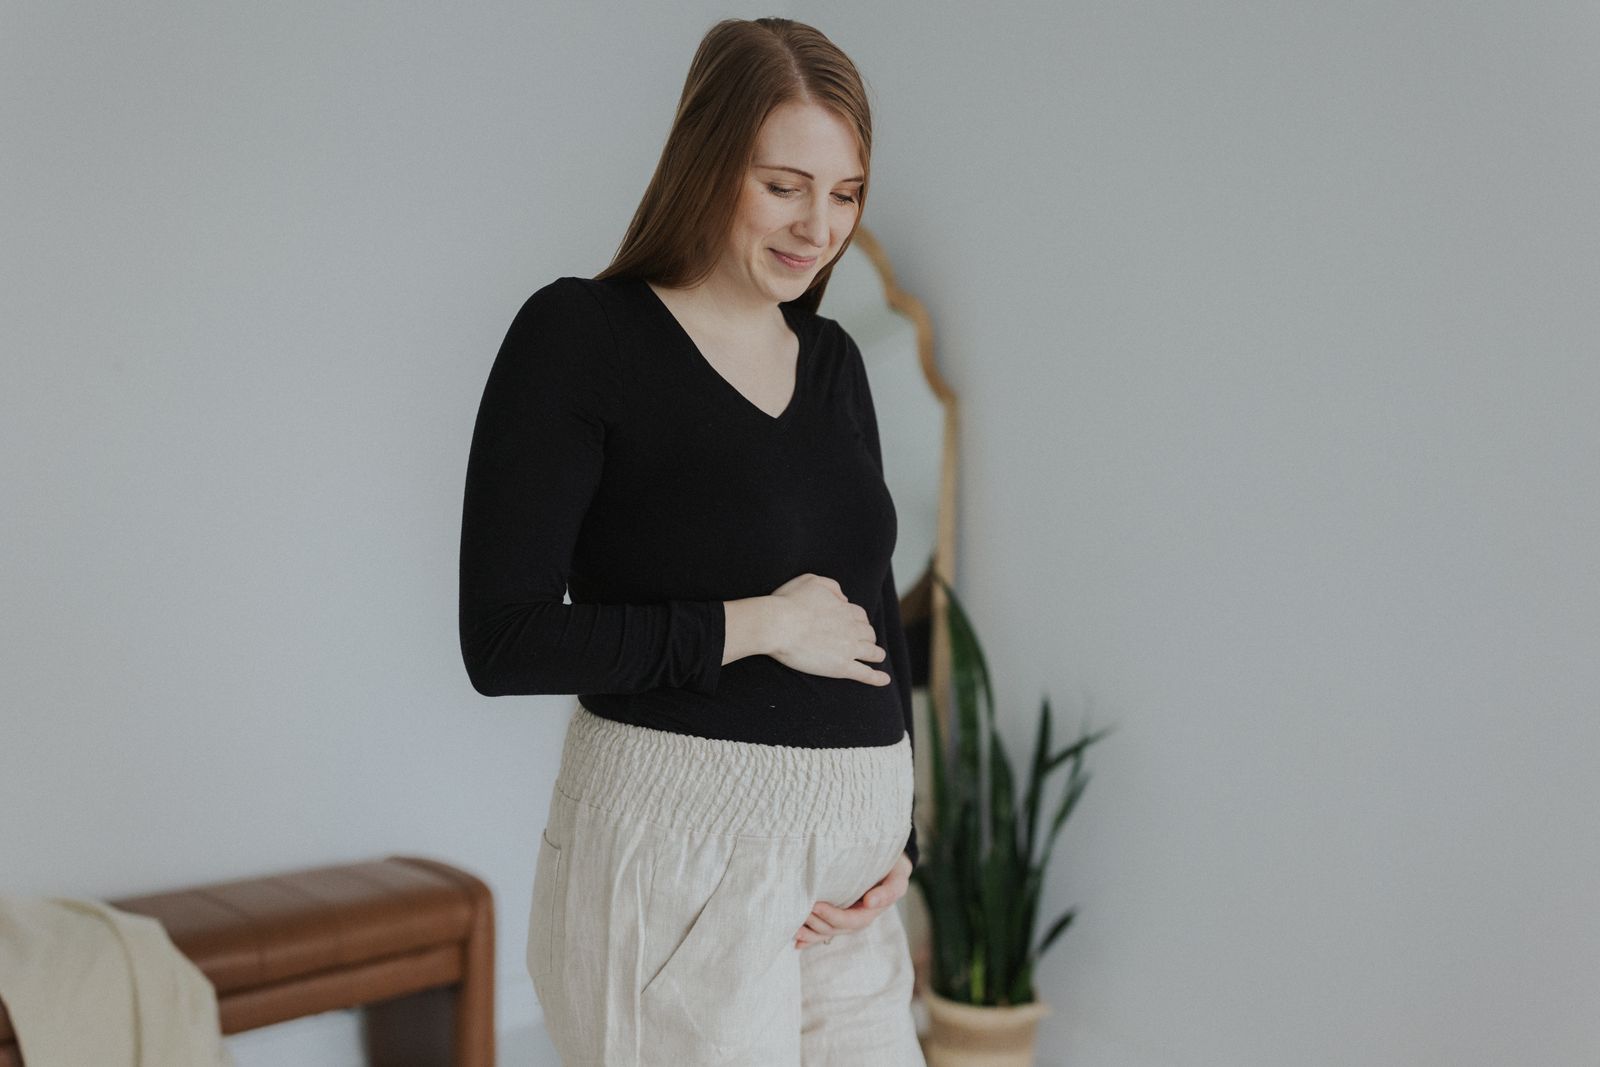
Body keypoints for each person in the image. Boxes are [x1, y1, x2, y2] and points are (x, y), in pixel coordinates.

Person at [458, 16, 924, 1066]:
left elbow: (871, 603)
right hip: (679, 870)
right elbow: (506, 639)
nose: (818, 226)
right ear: (707, 162)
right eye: (783, 185)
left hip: (849, 897)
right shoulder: (581, 337)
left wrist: (902, 835)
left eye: (844, 193)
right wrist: (755, 624)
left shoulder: (833, 359)